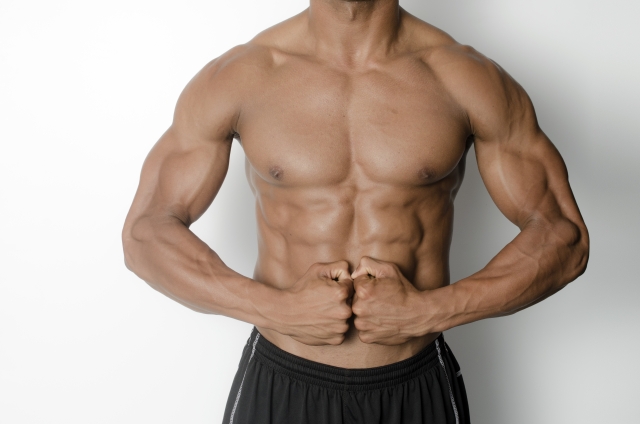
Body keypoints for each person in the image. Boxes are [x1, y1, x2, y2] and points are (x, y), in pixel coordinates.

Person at [122, 0, 589, 422]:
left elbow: (564, 237)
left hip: (415, 381)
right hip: (281, 379)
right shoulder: (243, 75)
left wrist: (428, 312)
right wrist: (277, 309)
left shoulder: (464, 77)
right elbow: (146, 233)